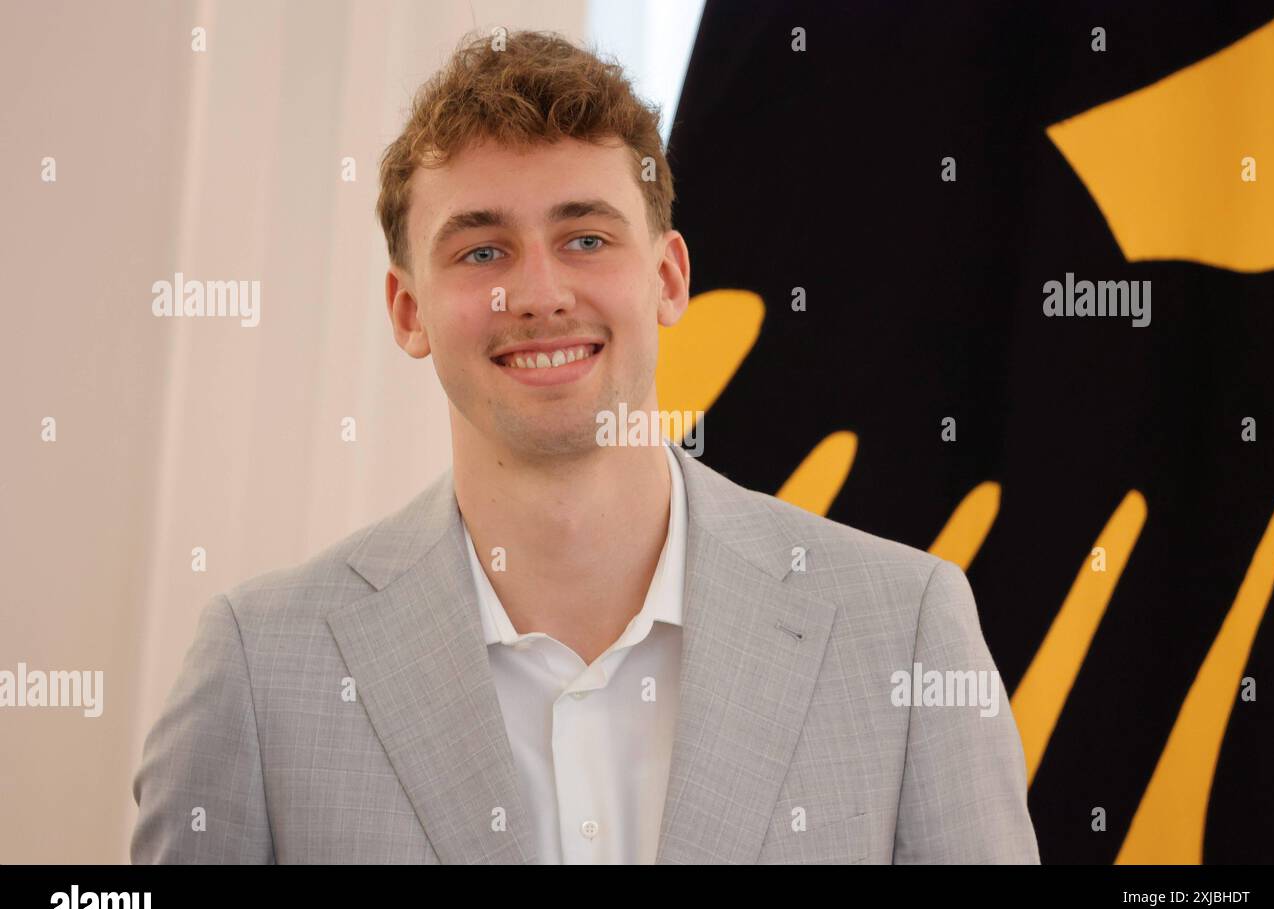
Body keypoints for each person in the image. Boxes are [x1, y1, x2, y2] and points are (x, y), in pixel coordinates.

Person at [130, 29, 1039, 864]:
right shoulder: (258, 669)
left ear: (669, 276)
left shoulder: (907, 628)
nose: (539, 292)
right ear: (408, 311)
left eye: (587, 237)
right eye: (481, 251)